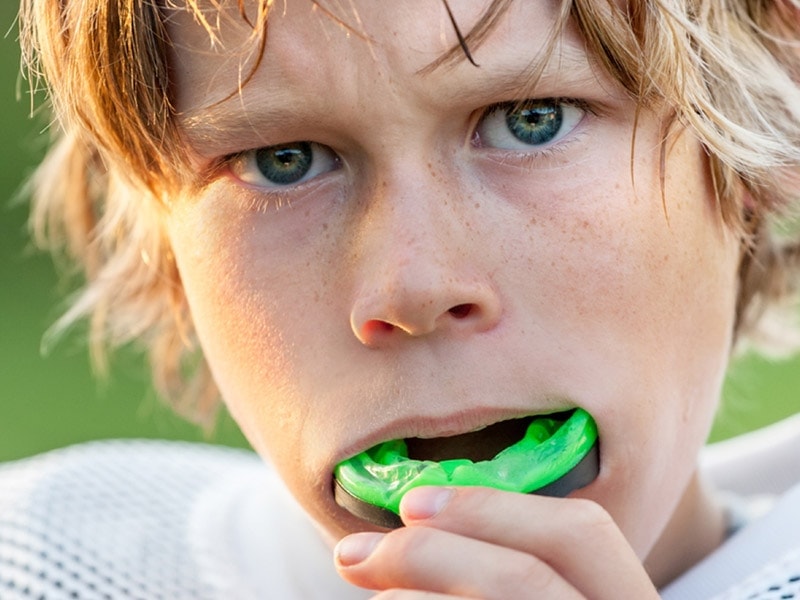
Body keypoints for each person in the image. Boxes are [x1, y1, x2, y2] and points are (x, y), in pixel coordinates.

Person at [3, 0, 800, 597]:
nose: (412, 288)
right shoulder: (45, 560)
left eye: (531, 120)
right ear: (165, 248)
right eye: (284, 159)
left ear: (764, 132)